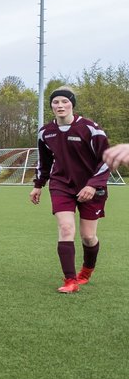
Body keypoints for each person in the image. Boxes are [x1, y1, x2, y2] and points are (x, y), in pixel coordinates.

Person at [29, 87, 111, 293]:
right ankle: (70, 280)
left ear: (72, 104)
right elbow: (44, 162)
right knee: (66, 229)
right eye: (55, 102)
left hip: (91, 187)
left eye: (64, 101)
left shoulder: (90, 129)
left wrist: (93, 185)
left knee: (88, 236)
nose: (60, 106)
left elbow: (107, 160)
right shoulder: (45, 132)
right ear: (51, 106)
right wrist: (38, 185)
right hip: (61, 185)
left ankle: (86, 272)